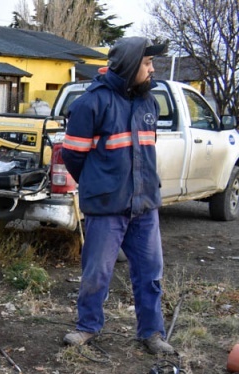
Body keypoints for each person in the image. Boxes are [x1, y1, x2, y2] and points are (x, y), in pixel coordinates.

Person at [61, 37, 175, 355]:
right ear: (129, 65)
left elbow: (146, 154)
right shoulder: (91, 103)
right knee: (97, 272)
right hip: (106, 206)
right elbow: (73, 156)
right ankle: (87, 327)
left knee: (150, 273)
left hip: (145, 204)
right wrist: (100, 184)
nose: (152, 69)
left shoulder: (148, 102)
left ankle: (151, 333)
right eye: (147, 63)